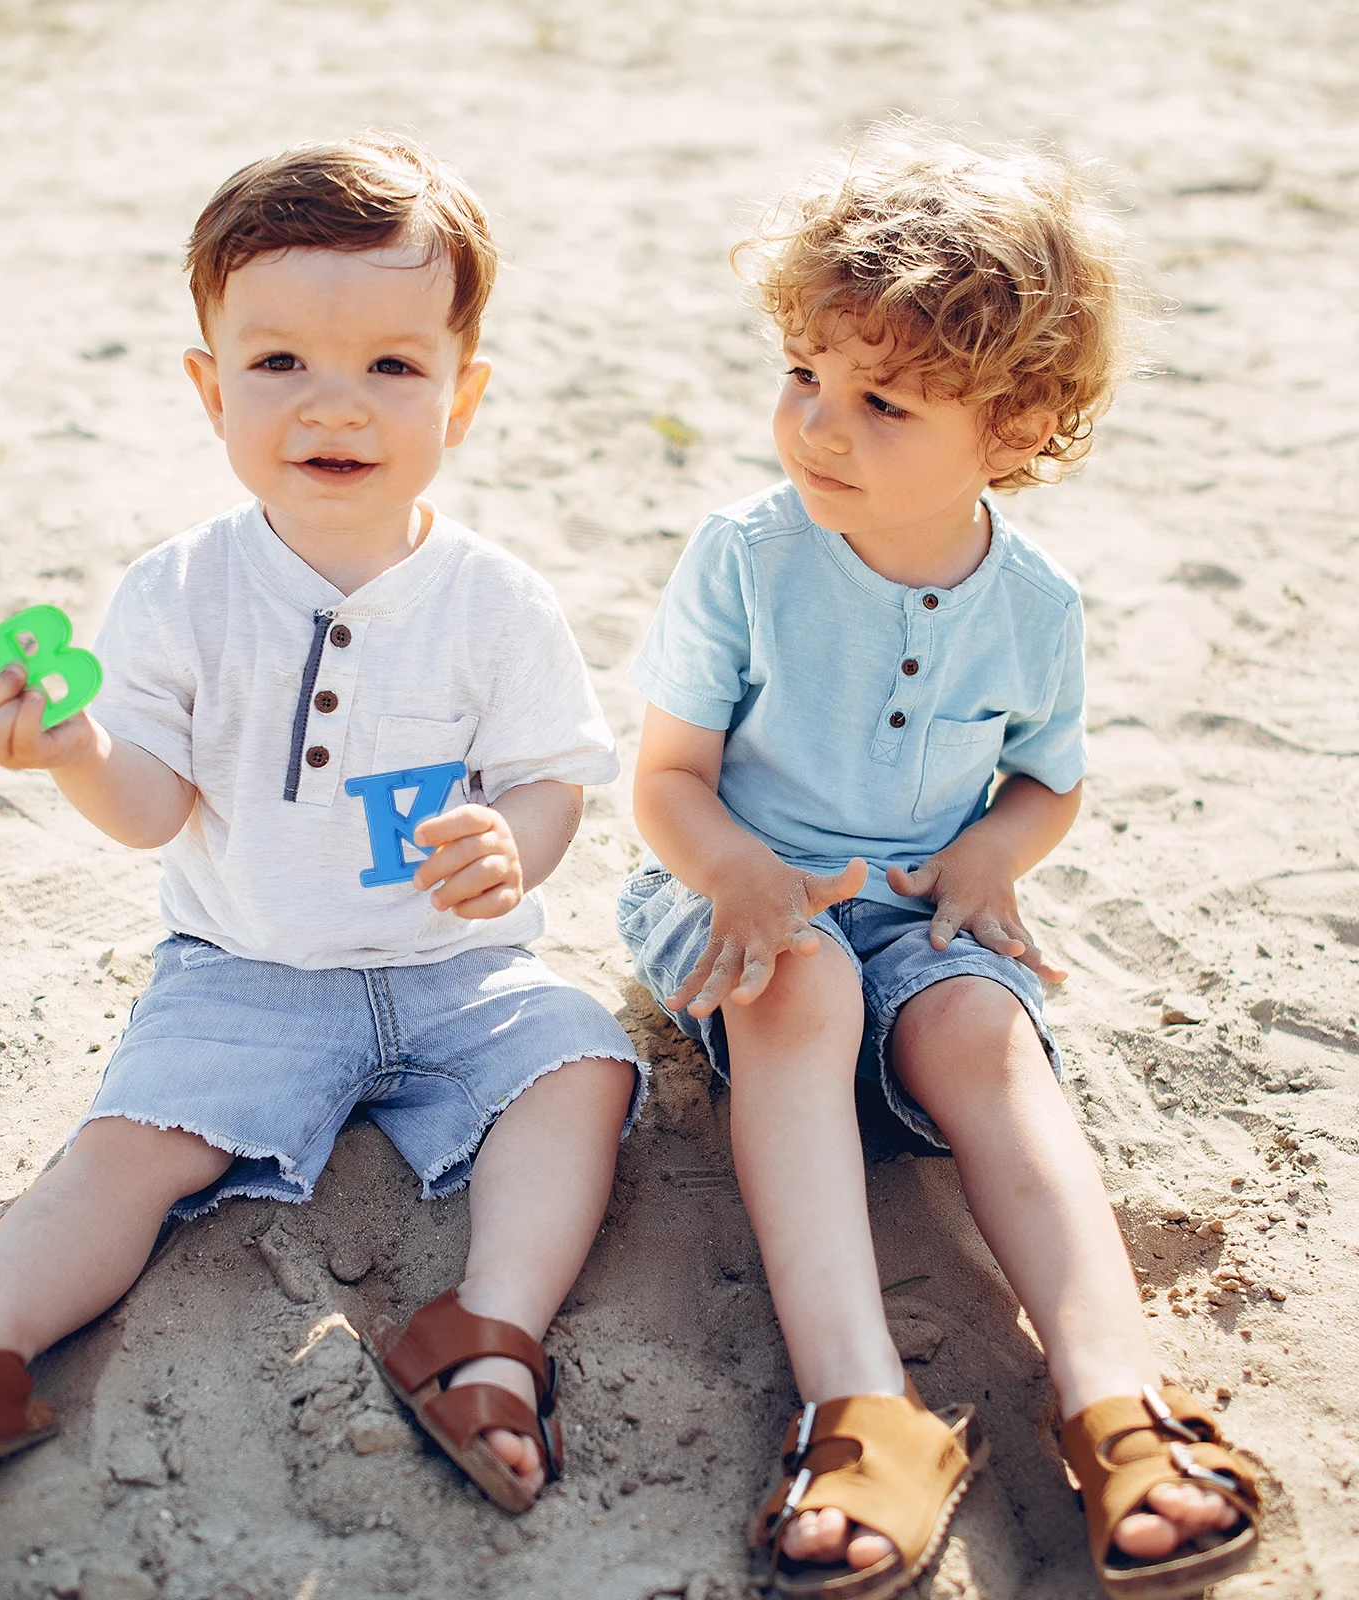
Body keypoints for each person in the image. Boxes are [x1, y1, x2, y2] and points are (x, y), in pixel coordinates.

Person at [0, 132, 644, 1516]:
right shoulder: (180, 592)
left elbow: (552, 776)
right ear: (211, 389)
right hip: (241, 969)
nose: (335, 404)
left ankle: (489, 1335)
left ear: (464, 395)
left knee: (582, 1068)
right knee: (124, 1151)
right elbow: (153, 808)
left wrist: (515, 843)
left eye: (393, 365)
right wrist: (75, 749)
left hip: (458, 971)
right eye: (280, 362)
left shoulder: (497, 601)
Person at [618, 122, 1260, 1600]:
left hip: (919, 914)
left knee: (983, 1030)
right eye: (805, 375)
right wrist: (737, 872)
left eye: (883, 402)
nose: (819, 428)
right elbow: (665, 782)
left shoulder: (1033, 605)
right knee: (800, 988)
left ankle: (1117, 1400)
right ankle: (861, 1409)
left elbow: (1049, 779)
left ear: (1015, 429)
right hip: (744, 888)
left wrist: (992, 855)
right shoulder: (747, 559)